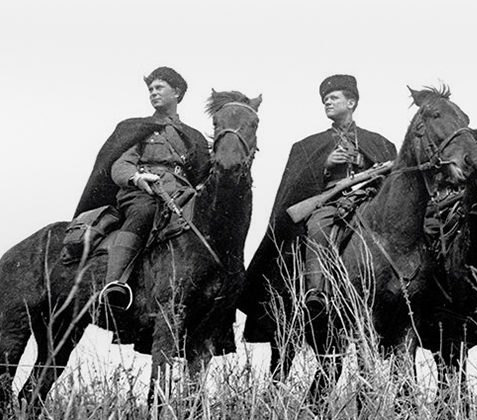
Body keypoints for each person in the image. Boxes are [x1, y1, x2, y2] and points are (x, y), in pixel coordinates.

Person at [240, 74, 397, 340]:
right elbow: (298, 184)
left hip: (370, 201)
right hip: (331, 203)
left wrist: (364, 163)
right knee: (318, 226)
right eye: (325, 99)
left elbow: (392, 183)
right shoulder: (308, 146)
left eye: (334, 97)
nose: (328, 102)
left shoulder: (378, 142)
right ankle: (317, 291)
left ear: (351, 102)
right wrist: (325, 164)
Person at [75, 66, 210, 307]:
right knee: (145, 211)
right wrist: (137, 178)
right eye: (151, 89)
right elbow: (119, 165)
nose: (153, 93)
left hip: (180, 194)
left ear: (177, 92)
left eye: (159, 88)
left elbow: (203, 173)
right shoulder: (136, 128)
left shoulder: (194, 136)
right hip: (141, 192)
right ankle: (115, 283)